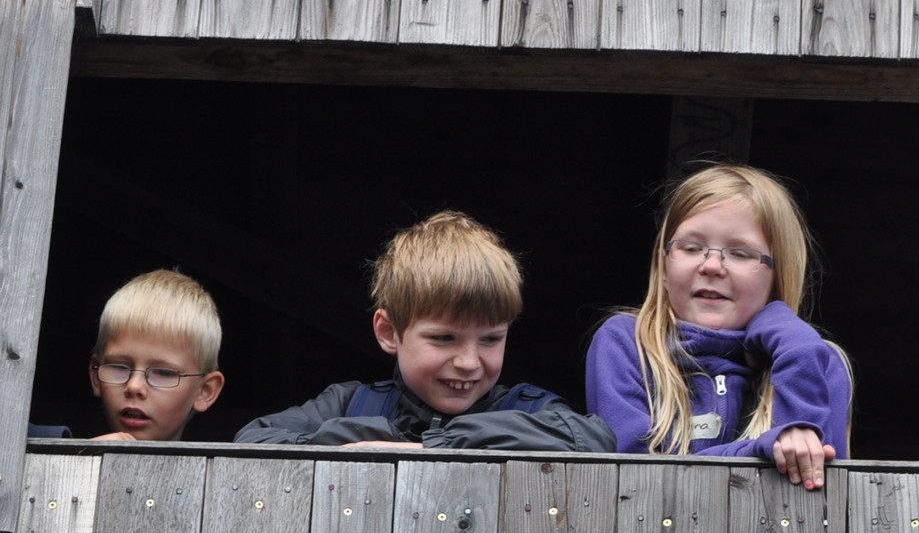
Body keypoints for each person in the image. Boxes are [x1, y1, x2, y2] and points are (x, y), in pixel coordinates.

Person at [236, 210, 614, 451]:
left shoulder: (527, 406)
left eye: (491, 339)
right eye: (444, 337)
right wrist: (377, 438)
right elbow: (255, 439)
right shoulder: (349, 403)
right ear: (388, 332)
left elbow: (593, 438)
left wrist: (434, 445)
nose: (469, 362)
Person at [586, 164, 850, 491]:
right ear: (663, 264)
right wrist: (758, 453)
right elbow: (634, 480)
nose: (711, 266)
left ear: (778, 274)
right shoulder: (628, 343)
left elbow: (814, 490)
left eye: (739, 253)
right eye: (691, 247)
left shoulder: (819, 361)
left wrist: (798, 346)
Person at [87, 269, 225, 441]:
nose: (134, 387)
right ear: (95, 375)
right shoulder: (64, 465)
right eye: (119, 367)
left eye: (163, 373)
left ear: (205, 390)